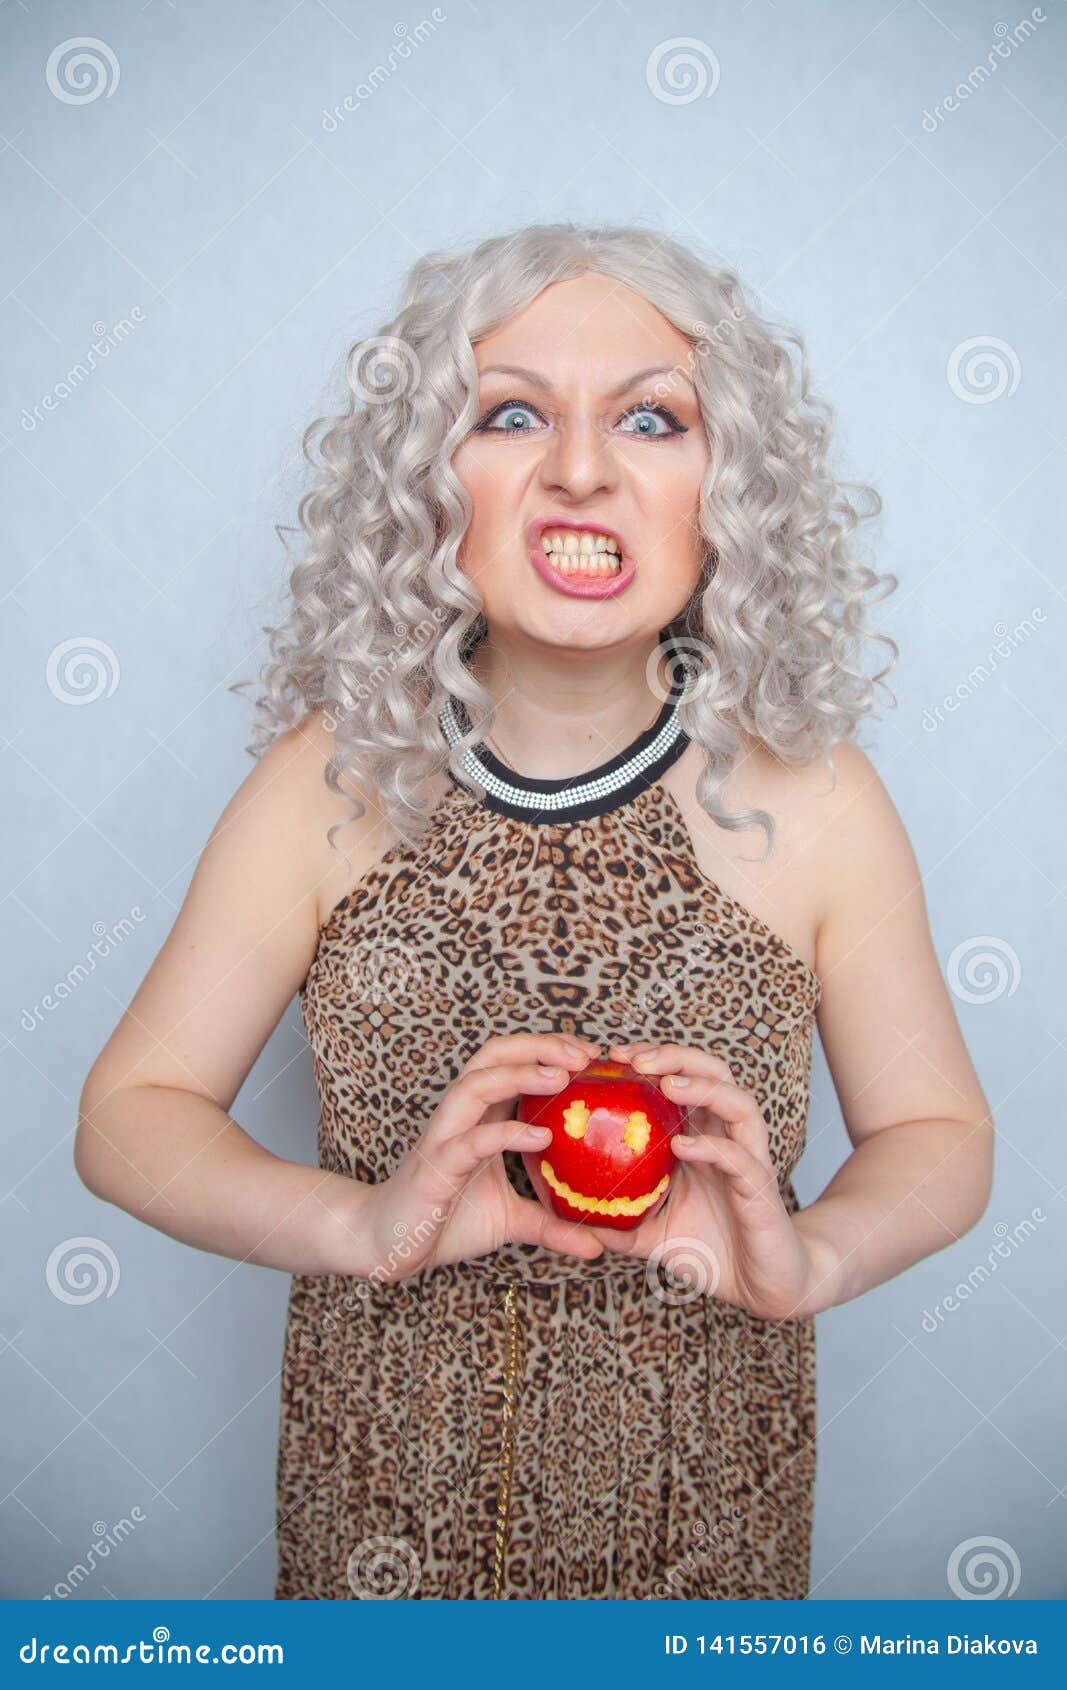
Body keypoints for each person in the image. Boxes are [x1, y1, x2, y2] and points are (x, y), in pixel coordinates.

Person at [75, 223, 994, 1601]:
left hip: (708, 1541)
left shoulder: (819, 801)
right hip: (378, 1529)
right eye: (511, 413)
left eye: (650, 417)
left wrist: (812, 1257)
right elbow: (127, 1115)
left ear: (725, 486)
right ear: (430, 485)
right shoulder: (325, 784)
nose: (579, 467)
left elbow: (942, 1135)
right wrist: (359, 1226)